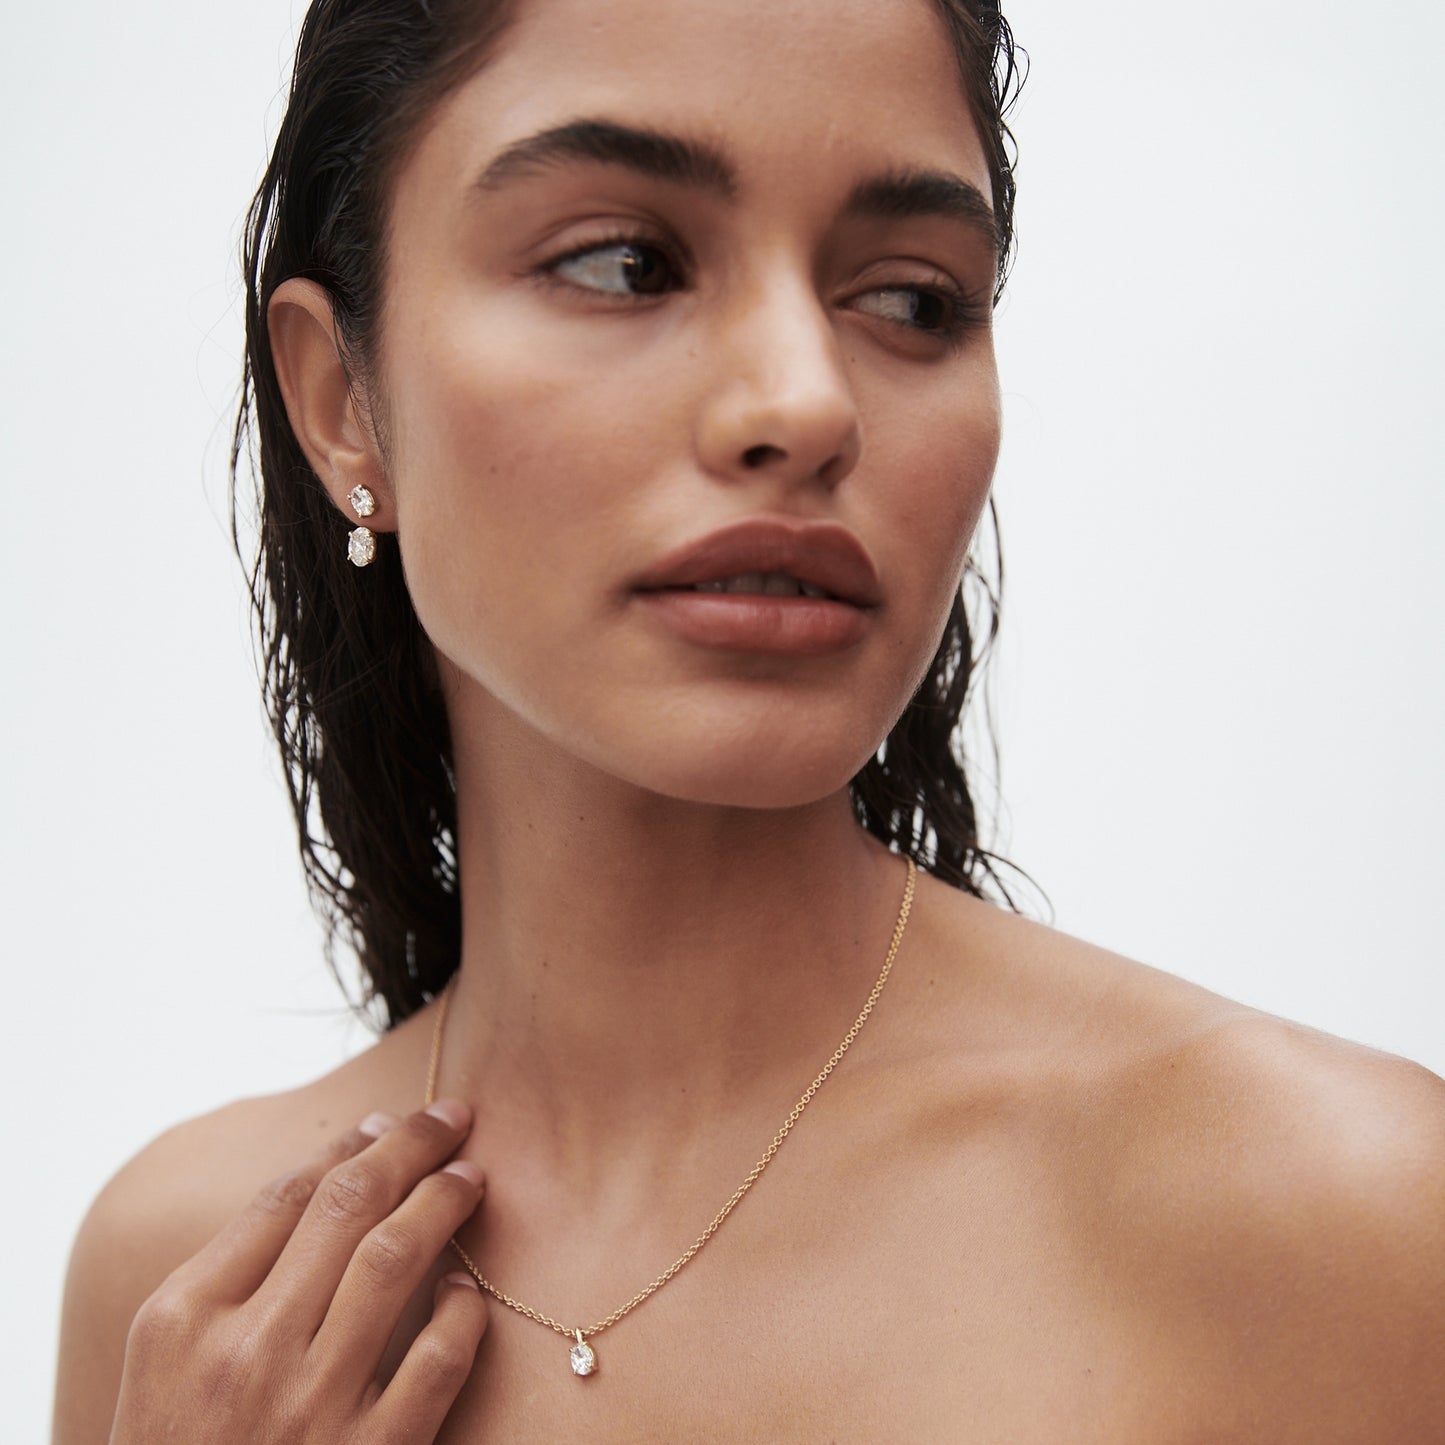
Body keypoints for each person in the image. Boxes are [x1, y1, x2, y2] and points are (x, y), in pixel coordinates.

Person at [52, 0, 1445, 1438]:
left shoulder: (1334, 1217)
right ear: (343, 398)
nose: (802, 400)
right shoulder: (194, 1291)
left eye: (910, 297)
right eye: (624, 264)